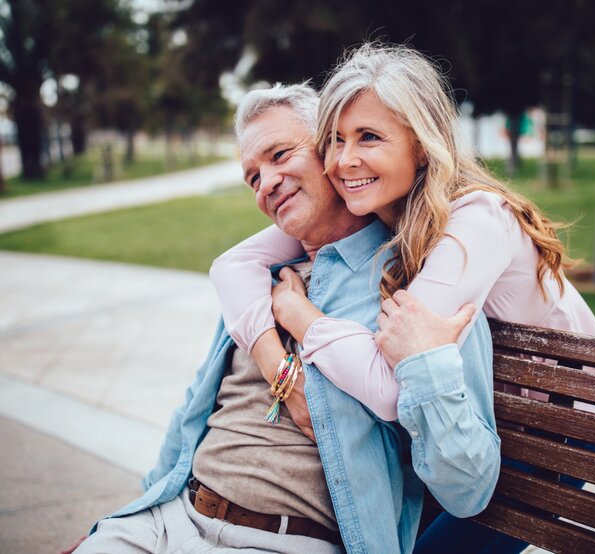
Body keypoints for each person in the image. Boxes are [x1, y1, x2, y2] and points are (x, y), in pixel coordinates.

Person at [66, 82, 500, 554]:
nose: (266, 182)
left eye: (279, 155)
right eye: (253, 177)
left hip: (279, 540)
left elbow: (467, 488)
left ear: (329, 154)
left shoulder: (419, 289)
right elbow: (192, 408)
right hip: (168, 521)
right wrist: (125, 519)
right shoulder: (261, 282)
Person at [210, 43, 595, 553]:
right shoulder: (377, 206)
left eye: (369, 137)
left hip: (561, 429)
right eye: (334, 140)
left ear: (421, 145)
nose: (344, 160)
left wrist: (299, 314)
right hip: (483, 419)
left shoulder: (476, 221)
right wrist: (274, 362)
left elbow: (385, 381)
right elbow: (232, 265)